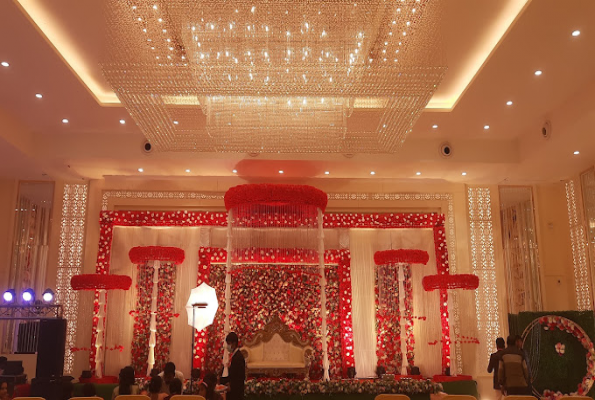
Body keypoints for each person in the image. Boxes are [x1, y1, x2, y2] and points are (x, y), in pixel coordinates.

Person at [225, 332, 245, 400]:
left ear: (234, 344)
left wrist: (231, 386)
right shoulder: (234, 355)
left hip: (236, 391)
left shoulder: (238, 357)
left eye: (228, 343)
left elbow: (240, 376)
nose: (227, 346)